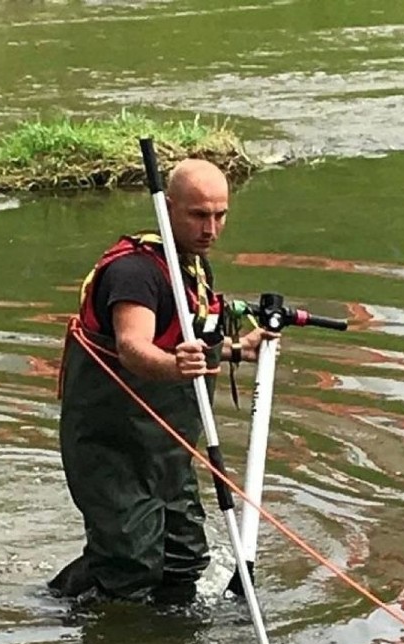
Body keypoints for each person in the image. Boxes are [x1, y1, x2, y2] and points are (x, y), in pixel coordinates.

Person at [49, 158, 274, 605]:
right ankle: (67, 612)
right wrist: (174, 368)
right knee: (130, 563)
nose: (211, 228)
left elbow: (184, 335)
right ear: (167, 208)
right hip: (110, 442)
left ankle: (172, 637)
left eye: (220, 214)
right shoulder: (134, 272)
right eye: (198, 215)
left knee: (183, 558)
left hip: (167, 446)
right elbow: (135, 346)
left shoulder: (193, 266)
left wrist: (232, 349)